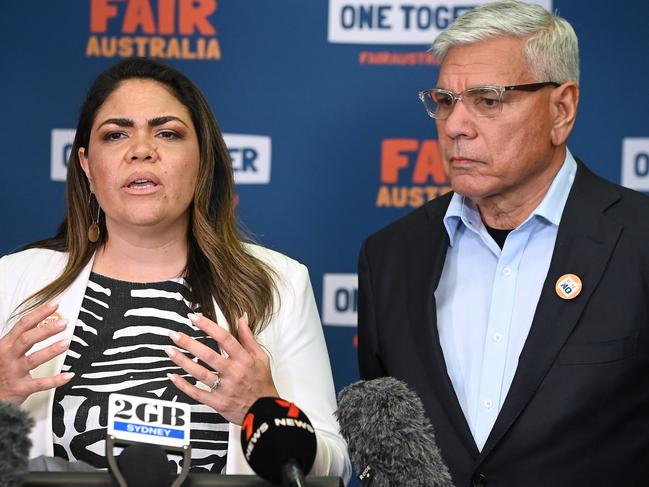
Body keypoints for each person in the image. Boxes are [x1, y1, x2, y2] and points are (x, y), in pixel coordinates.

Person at [0, 57, 350, 481]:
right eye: (116, 135)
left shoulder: (279, 285)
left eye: (167, 133)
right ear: (88, 167)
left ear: (203, 160)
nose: (142, 149)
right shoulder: (15, 281)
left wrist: (265, 409)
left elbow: (333, 466)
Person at [358, 1, 649, 486]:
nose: (455, 126)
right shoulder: (389, 256)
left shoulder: (638, 242)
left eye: (488, 100)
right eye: (445, 101)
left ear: (562, 110)